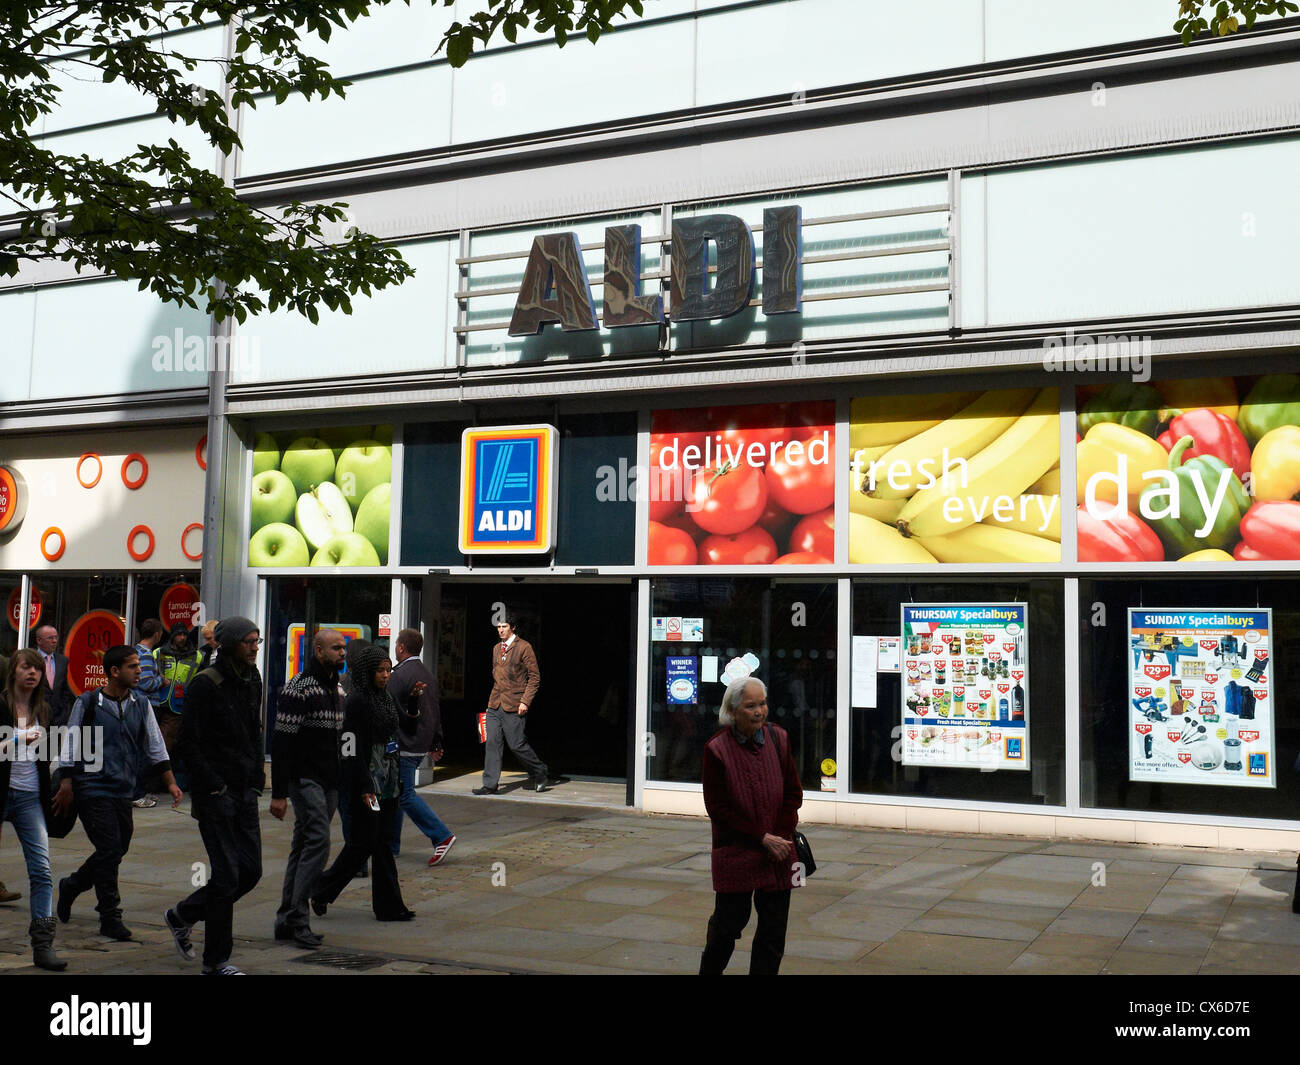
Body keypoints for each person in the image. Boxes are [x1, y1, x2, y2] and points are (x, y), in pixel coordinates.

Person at [53, 646, 182, 941]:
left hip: (123, 788)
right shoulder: (87, 703)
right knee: (110, 849)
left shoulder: (140, 703)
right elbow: (71, 743)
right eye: (133, 666)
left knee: (118, 848)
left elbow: (155, 745)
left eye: (139, 666)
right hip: (92, 787)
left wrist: (171, 782)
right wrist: (67, 782)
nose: (140, 671)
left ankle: (72, 885)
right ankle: (109, 915)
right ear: (114, 671)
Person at [166, 616, 265, 975]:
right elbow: (187, 743)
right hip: (215, 793)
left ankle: (184, 914)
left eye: (258, 641)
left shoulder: (252, 678)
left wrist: (257, 776)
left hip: (244, 791)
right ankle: (217, 960)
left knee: (250, 871)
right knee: (226, 877)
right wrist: (213, 785)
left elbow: (254, 732)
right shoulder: (205, 684)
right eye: (249, 641)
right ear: (228, 644)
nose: (255, 647)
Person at [698, 676, 803, 976]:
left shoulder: (779, 739)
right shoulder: (716, 749)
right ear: (732, 712)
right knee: (727, 927)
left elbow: (793, 794)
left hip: (780, 854)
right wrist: (761, 838)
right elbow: (718, 809)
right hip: (737, 853)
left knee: (773, 935)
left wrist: (779, 838)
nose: (759, 711)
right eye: (750, 706)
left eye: (763, 704)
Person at [311, 643, 414, 922]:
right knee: (365, 843)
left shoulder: (386, 698)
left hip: (388, 778)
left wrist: (414, 702)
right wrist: (365, 785)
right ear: (367, 672)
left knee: (380, 844)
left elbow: (406, 728)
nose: (385, 675)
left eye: (388, 670)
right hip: (366, 781)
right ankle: (321, 889)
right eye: (380, 671)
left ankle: (388, 906)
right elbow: (350, 749)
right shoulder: (357, 701)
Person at [270, 627, 345, 948]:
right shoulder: (299, 688)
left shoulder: (337, 690)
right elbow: (282, 741)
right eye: (336, 648)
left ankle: (286, 918)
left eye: (344, 648)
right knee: (318, 842)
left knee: (303, 844)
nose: (343, 653)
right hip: (305, 778)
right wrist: (279, 792)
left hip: (330, 780)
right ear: (318, 651)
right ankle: (299, 918)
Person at [0, 649, 66, 969]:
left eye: (38, 669)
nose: (33, 673)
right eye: (27, 667)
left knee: (42, 870)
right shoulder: (1, 705)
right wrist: (17, 739)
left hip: (29, 797)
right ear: (14, 671)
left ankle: (43, 944)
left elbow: (47, 756)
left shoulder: (44, 709)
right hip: (2, 792)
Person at [388, 628, 455, 865]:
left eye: (396, 644)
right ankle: (391, 846)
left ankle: (441, 836)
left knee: (404, 795)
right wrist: (436, 741)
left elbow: (389, 710)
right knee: (395, 794)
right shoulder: (428, 673)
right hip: (422, 742)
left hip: (403, 743)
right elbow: (434, 710)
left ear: (401, 648)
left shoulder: (397, 676)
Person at [473, 612, 548, 795]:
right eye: (498, 627)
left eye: (504, 626)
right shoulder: (496, 649)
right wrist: (491, 702)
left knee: (516, 744)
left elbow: (535, 678)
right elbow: (496, 676)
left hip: (515, 704)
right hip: (495, 704)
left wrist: (525, 701)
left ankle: (540, 771)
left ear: (512, 627)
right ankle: (490, 784)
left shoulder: (524, 647)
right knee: (492, 742)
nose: (500, 630)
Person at [155, 622, 201, 789]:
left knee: (167, 743)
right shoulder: (159, 653)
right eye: (178, 634)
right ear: (172, 636)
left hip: (179, 704)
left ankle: (163, 781)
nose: (182, 638)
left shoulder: (196, 656)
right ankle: (160, 779)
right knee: (157, 741)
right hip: (158, 702)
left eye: (184, 635)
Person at [132, 618, 167, 808]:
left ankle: (139, 791)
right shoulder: (145, 655)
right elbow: (144, 682)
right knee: (144, 749)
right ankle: (137, 794)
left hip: (139, 705)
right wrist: (161, 681)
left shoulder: (136, 651)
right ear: (156, 634)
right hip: (146, 706)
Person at [32, 624, 72, 725]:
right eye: (50, 638)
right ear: (39, 640)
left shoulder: (63, 661)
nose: (54, 641)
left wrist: (64, 715)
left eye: (56, 637)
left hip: (59, 720)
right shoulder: (30, 660)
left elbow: (66, 691)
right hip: (36, 719)